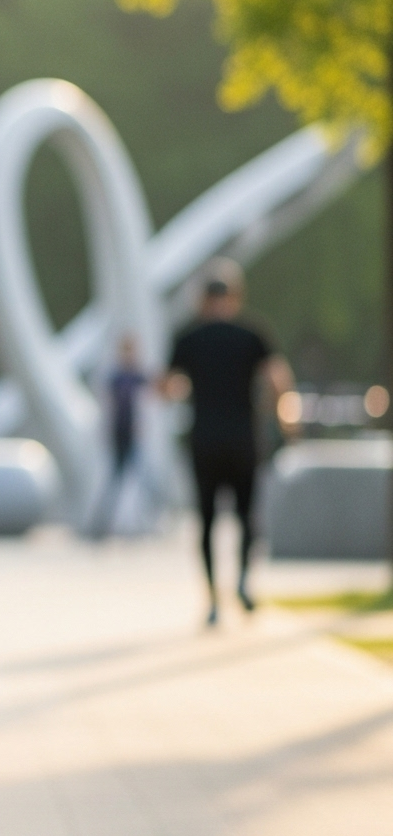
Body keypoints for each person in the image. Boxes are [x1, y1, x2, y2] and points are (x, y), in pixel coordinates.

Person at [163, 261, 292, 624]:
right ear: (235, 297)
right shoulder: (252, 334)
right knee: (246, 516)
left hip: (204, 439)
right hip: (242, 439)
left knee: (205, 520)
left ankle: (213, 598)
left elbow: (168, 387)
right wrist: (281, 416)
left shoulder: (189, 337)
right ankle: (242, 583)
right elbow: (278, 379)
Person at [86, 333, 150, 540]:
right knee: (119, 479)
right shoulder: (118, 378)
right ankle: (101, 525)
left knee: (138, 479)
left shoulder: (136, 376)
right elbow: (112, 408)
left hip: (131, 434)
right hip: (120, 434)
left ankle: (137, 524)